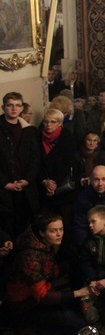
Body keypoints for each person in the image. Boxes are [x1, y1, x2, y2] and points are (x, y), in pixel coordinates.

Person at [5, 212, 90, 334]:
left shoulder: (43, 246)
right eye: (53, 231)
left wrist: (76, 261)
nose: (59, 234)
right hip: (24, 306)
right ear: (42, 233)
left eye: (61, 229)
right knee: (76, 323)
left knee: (76, 308)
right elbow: (42, 297)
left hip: (38, 296)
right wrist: (80, 292)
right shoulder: (30, 258)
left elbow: (51, 272)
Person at [0, 92, 40, 238]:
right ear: (3, 107)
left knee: (27, 228)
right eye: (10, 105)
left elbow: (35, 157)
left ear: (22, 108)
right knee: (8, 229)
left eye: (17, 105)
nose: (14, 109)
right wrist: (5, 183)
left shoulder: (28, 130)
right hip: (4, 189)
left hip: (26, 188)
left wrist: (27, 180)